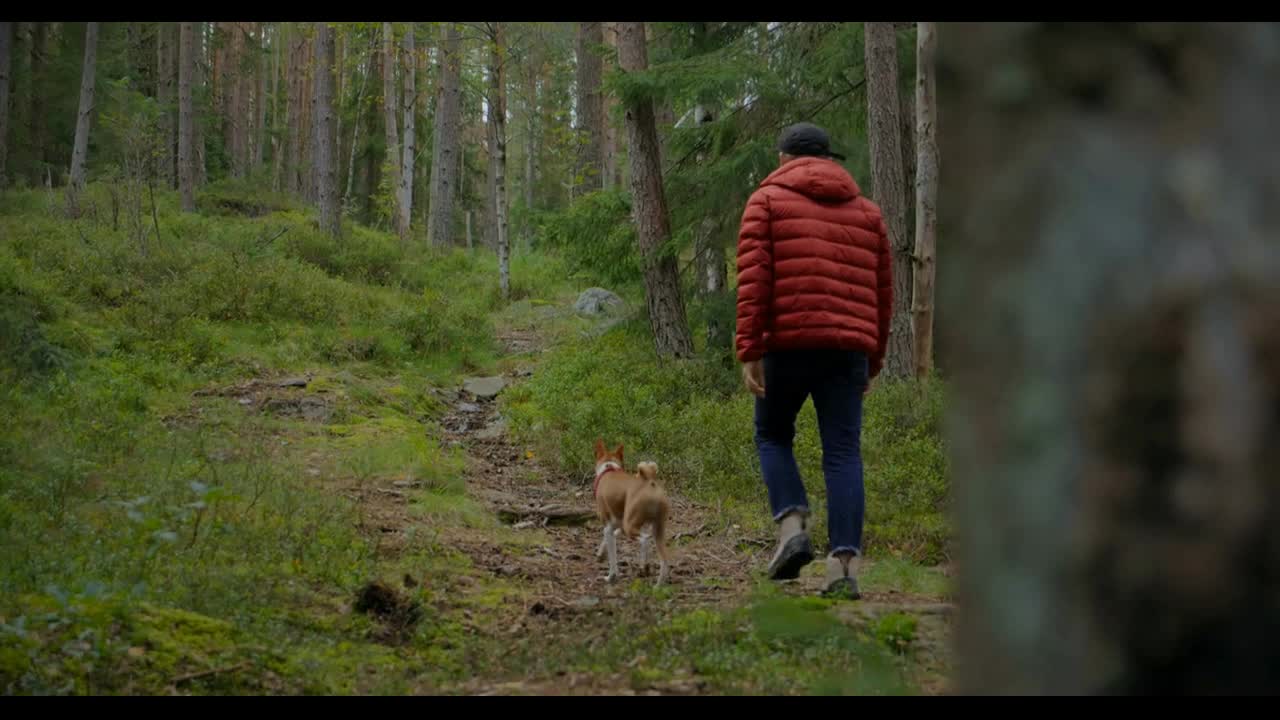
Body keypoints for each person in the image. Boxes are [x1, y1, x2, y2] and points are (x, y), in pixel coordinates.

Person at [734, 122, 894, 597]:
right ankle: (843, 570)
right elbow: (883, 295)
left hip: (787, 343)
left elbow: (754, 283)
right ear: (829, 160)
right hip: (847, 351)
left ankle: (792, 527)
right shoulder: (868, 214)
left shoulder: (765, 202)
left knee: (772, 434)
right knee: (843, 453)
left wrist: (751, 349)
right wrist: (874, 358)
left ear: (783, 159)